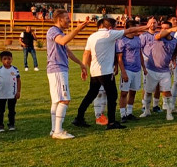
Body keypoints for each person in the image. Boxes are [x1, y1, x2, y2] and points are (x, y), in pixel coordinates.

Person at [73, 18, 147, 130]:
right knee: (112, 96)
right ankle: (111, 123)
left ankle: (79, 117)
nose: (117, 28)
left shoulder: (92, 36)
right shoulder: (110, 34)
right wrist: (147, 27)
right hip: (106, 72)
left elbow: (86, 54)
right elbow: (130, 30)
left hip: (95, 71)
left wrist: (84, 68)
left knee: (90, 95)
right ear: (110, 27)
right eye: (116, 26)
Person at [46, 10, 91, 139]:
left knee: (56, 101)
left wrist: (81, 64)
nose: (69, 20)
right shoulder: (53, 31)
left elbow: (67, 51)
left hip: (58, 69)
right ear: (59, 19)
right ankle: (58, 131)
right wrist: (78, 29)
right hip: (57, 69)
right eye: (66, 18)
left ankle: (54, 129)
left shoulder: (59, 32)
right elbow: (63, 41)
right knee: (64, 99)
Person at [150, 20, 177, 121]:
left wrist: (174, 60)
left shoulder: (174, 41)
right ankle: (147, 110)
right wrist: (172, 29)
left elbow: (175, 52)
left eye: (166, 28)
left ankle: (169, 113)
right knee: (148, 91)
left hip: (165, 69)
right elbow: (158, 36)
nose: (163, 30)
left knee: (167, 91)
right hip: (152, 68)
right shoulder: (158, 37)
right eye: (162, 28)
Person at [0, 51, 21, 132]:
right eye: (4, 59)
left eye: (9, 59)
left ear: (12, 59)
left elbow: (18, 80)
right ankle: (0, 125)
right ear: (1, 60)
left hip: (12, 94)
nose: (7, 61)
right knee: (1, 111)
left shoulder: (15, 69)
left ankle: (11, 124)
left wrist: (18, 91)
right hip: (2, 94)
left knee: (12, 110)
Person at [116, 20, 143, 122]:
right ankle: (123, 114)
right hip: (127, 69)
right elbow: (119, 57)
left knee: (133, 92)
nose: (138, 30)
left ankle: (130, 113)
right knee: (124, 93)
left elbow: (140, 53)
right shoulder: (121, 40)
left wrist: (143, 67)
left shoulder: (138, 39)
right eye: (136, 28)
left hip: (137, 69)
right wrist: (123, 72)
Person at [139, 17, 161, 117]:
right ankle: (145, 105)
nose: (153, 24)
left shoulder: (160, 35)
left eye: (154, 23)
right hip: (147, 63)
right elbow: (140, 49)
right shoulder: (143, 36)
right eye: (151, 23)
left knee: (158, 85)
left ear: (157, 24)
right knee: (146, 85)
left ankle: (156, 105)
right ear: (148, 24)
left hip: (158, 63)